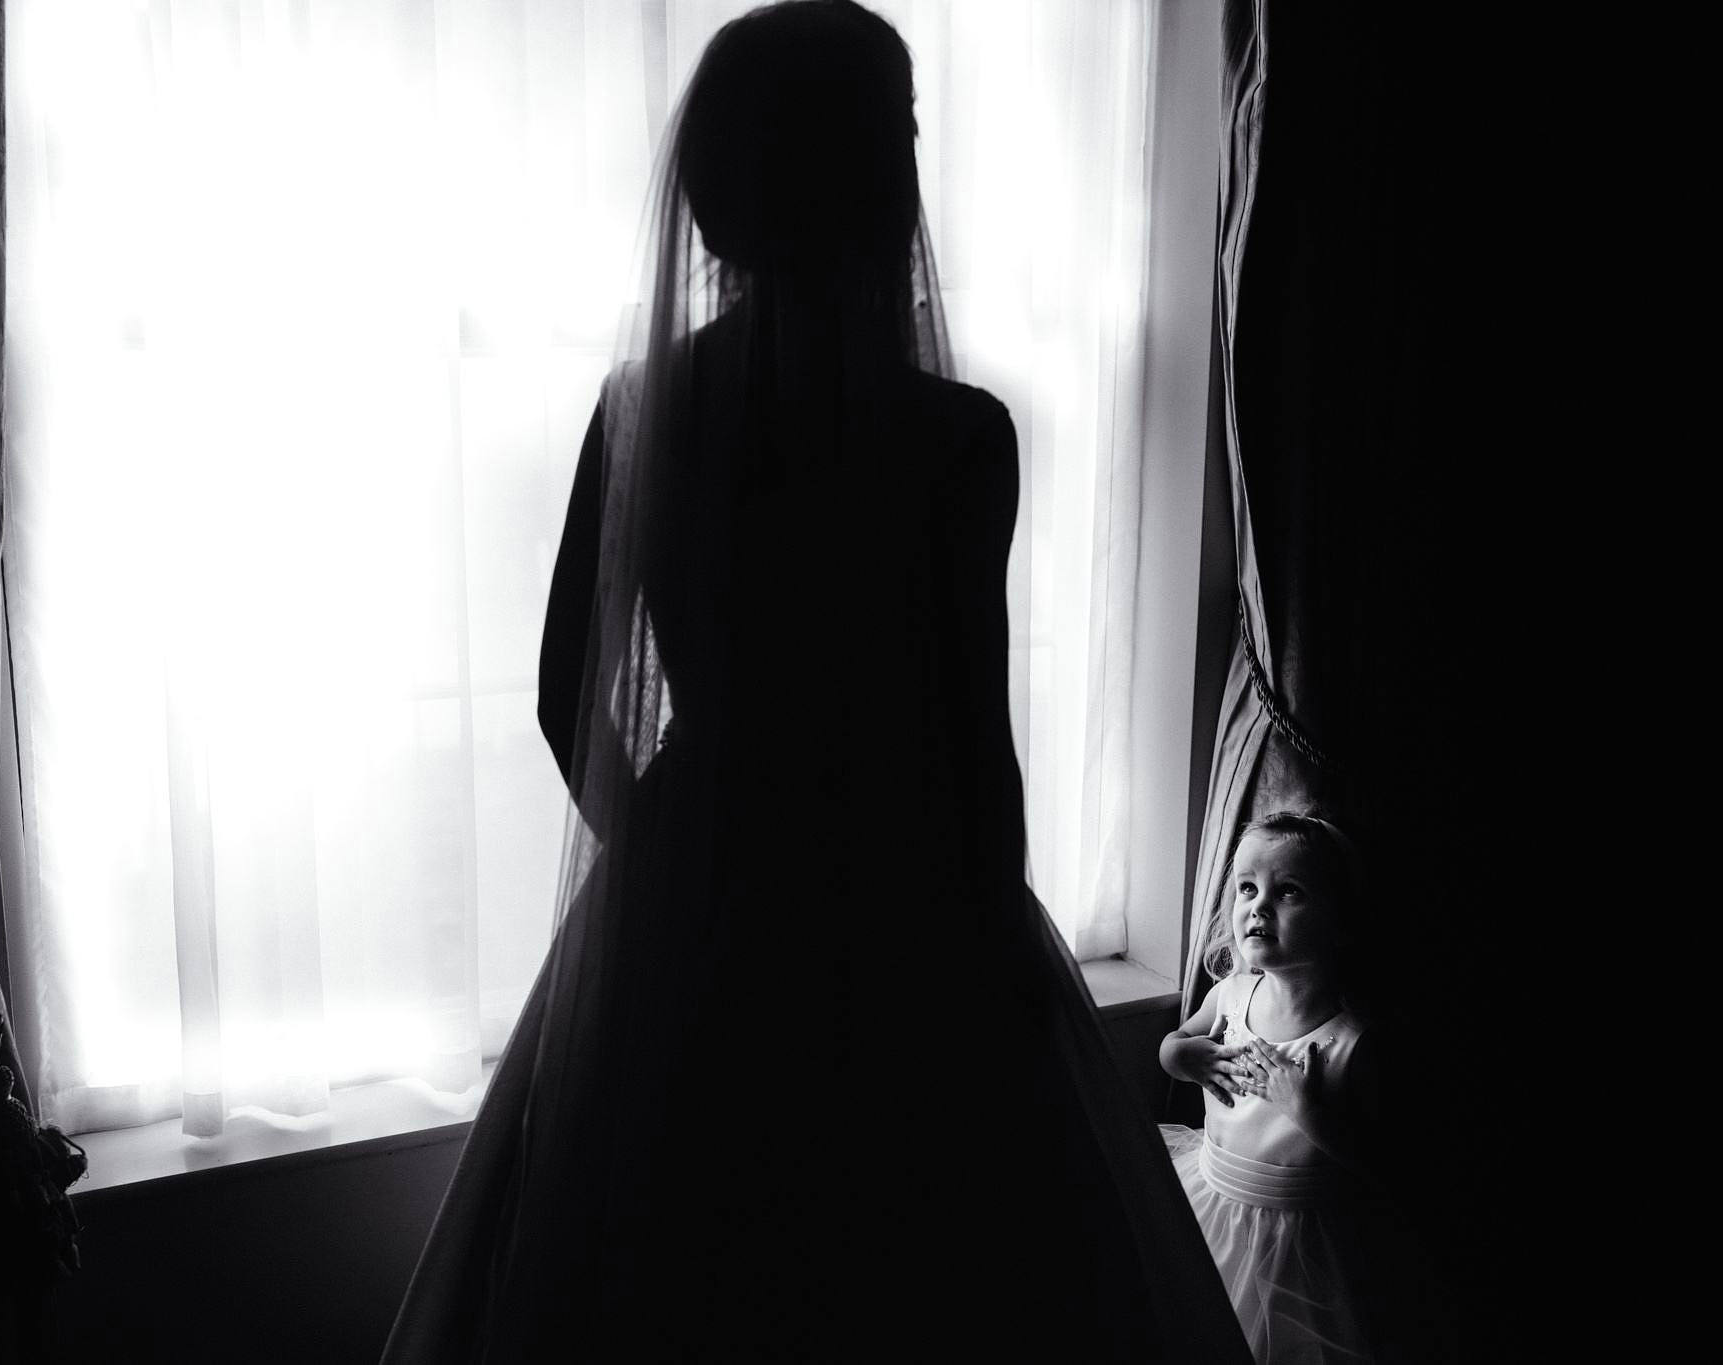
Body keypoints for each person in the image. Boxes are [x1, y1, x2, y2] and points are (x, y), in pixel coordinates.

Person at [382, 3, 1250, 1359]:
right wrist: (990, 973)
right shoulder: (957, 438)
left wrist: (677, 858)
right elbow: (975, 740)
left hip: (697, 893)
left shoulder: (646, 406)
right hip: (908, 898)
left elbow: (567, 694)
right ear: (872, 183)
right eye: (902, 134)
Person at [1159, 811, 1401, 1364]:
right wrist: (1178, 1055)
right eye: (1247, 888)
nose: (1258, 906)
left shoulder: (1352, 1042)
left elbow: (1380, 1163)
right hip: (1214, 1200)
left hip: (1301, 1242)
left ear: (1340, 921)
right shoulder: (1232, 995)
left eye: (1288, 891)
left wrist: (1303, 1107)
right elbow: (1175, 1045)